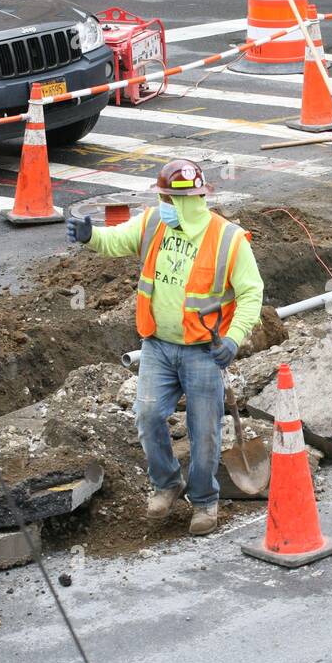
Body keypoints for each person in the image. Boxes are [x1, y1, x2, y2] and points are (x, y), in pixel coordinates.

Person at [66, 161, 265, 536]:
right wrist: (90, 236)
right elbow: (116, 240)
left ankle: (205, 501)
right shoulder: (155, 223)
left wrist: (234, 337)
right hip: (157, 345)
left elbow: (252, 293)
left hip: (203, 350)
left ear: (191, 200)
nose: (163, 203)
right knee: (147, 415)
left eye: (169, 198)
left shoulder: (228, 239)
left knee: (203, 431)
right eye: (162, 197)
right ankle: (167, 482)